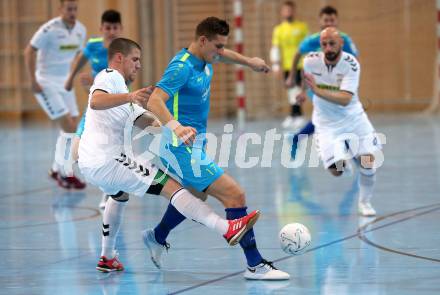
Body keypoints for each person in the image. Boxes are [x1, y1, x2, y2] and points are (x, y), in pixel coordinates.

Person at [77, 37, 260, 272]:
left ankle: (107, 257)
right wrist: (130, 97)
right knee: (172, 187)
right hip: (107, 160)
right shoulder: (109, 75)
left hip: (92, 164)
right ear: (119, 58)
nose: (139, 65)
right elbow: (95, 101)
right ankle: (227, 229)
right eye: (135, 59)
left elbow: (145, 122)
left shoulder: (122, 90)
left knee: (119, 196)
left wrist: (174, 128)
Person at [146, 17, 289, 280]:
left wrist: (250, 62)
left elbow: (225, 55)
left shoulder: (207, 57)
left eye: (223, 46)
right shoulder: (181, 68)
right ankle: (255, 265)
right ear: (202, 40)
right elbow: (154, 100)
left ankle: (156, 236)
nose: (221, 52)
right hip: (180, 145)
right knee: (235, 195)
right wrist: (176, 126)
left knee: (193, 197)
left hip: (194, 142)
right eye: (218, 46)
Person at [300, 27, 381, 216]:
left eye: (332, 44)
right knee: (336, 171)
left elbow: (345, 98)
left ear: (341, 44)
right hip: (326, 124)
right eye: (324, 44)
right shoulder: (310, 61)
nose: (328, 48)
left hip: (354, 119)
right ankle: (344, 164)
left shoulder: (351, 64)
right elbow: (308, 80)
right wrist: (303, 92)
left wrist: (317, 92)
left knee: (368, 162)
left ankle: (365, 202)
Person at [24, 0, 87, 189]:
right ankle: (65, 173)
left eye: (75, 9)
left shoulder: (80, 30)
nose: (72, 12)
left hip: (65, 83)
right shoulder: (49, 29)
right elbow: (28, 51)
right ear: (61, 10)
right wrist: (33, 81)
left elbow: (77, 55)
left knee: (73, 127)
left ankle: (55, 169)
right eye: (69, 9)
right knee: (68, 126)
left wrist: (74, 75)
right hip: (46, 83)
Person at [65, 9, 124, 209]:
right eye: (108, 28)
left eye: (115, 27)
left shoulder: (123, 51)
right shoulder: (93, 45)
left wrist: (97, 80)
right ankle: (107, 186)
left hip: (117, 107)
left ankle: (109, 194)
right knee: (76, 151)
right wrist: (70, 78)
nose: (111, 31)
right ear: (101, 29)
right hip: (95, 109)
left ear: (120, 29)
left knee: (110, 153)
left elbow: (129, 79)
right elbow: (81, 60)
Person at [285, 5, 359, 159]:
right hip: (318, 87)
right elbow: (298, 55)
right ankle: (350, 152)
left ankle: (297, 138)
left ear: (337, 21)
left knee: (326, 118)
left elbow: (354, 61)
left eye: (332, 20)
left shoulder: (344, 39)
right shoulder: (313, 40)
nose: (329, 23)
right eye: (326, 20)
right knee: (333, 116)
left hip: (337, 86)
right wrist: (292, 76)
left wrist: (351, 84)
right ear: (320, 21)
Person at [270, 1, 308, 130]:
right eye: (286, 10)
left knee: (297, 89)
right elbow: (275, 47)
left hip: (301, 64)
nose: (288, 12)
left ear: (294, 11)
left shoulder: (302, 27)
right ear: (282, 12)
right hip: (287, 65)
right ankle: (294, 115)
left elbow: (308, 45)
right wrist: (275, 65)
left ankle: (298, 115)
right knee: (291, 90)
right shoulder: (279, 29)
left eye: (290, 10)